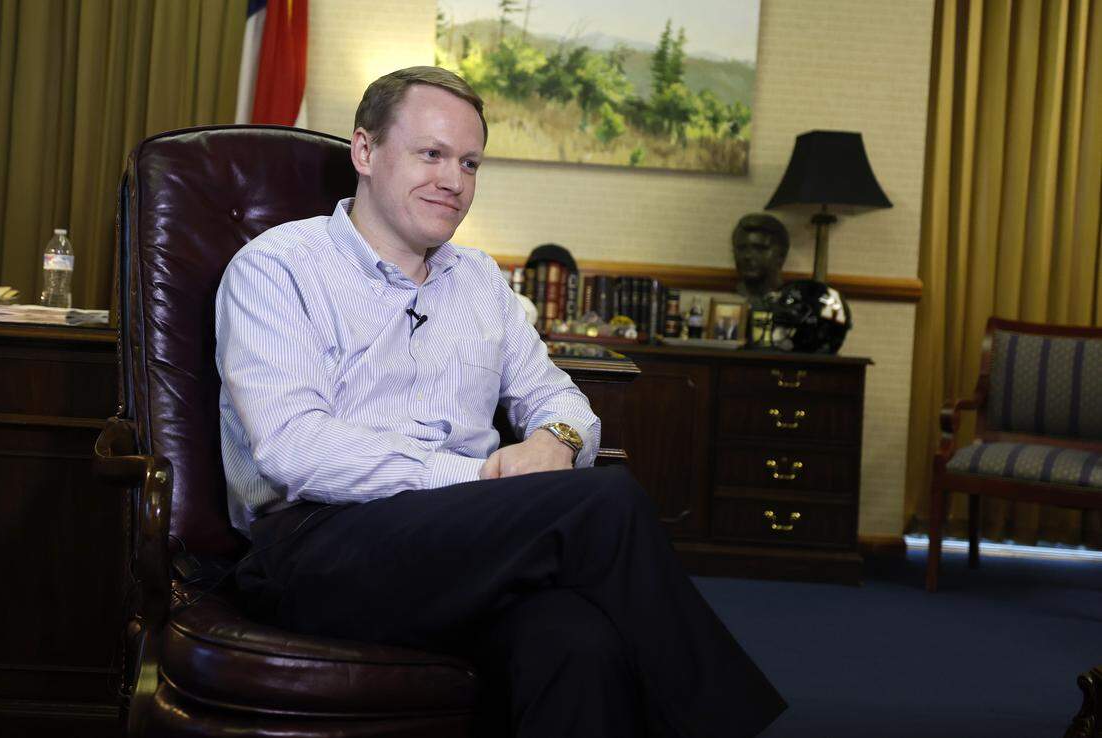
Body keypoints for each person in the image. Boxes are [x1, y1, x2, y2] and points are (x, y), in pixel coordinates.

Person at [216, 66, 785, 738]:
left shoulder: (480, 281)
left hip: (467, 544)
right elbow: (295, 450)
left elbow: (559, 398)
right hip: (318, 549)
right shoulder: (278, 268)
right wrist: (486, 478)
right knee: (606, 499)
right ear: (365, 152)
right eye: (430, 154)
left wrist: (558, 443)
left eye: (470, 162)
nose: (452, 180)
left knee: (577, 642)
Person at [732, 213, 790, 306]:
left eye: (759, 248)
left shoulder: (791, 303)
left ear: (781, 256)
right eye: (741, 248)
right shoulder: (728, 300)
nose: (747, 256)